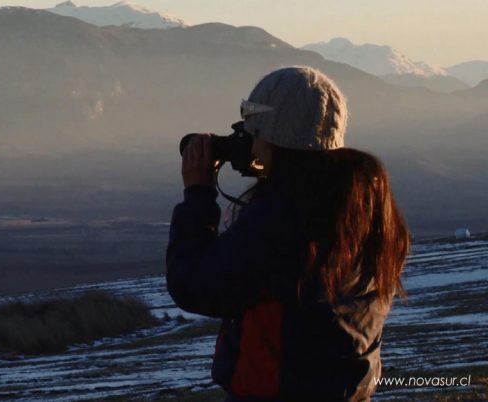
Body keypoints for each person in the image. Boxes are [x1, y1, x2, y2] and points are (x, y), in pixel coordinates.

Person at [166, 66, 410, 401]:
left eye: (254, 132)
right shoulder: (364, 204)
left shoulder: (282, 219)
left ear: (275, 137)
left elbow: (193, 283)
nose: (249, 144)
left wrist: (197, 196)